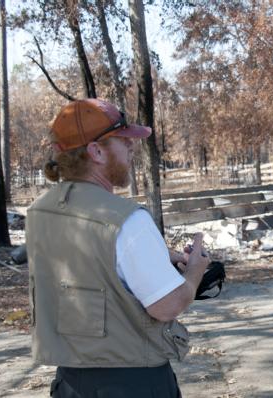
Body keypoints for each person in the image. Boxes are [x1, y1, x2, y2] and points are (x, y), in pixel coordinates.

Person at [26, 98, 211, 398]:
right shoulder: (126, 220)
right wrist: (194, 272)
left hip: (69, 383)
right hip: (132, 384)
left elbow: (87, 269)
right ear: (96, 151)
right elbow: (167, 306)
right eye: (123, 141)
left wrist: (157, 257)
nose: (132, 148)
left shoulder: (39, 213)